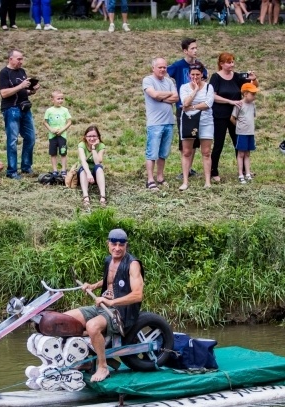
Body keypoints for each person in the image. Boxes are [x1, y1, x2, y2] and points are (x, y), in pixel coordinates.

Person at [64, 228, 143, 383]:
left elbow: (138, 294)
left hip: (121, 311)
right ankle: (86, 360)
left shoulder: (133, 264)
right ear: (108, 244)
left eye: (121, 244)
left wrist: (111, 302)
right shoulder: (109, 260)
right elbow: (110, 281)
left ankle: (103, 366)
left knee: (92, 326)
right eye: (114, 244)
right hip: (103, 306)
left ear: (126, 245)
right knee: (66, 319)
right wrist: (93, 286)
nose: (117, 248)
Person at [209, 52, 257, 182]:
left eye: (233, 62)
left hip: (237, 115)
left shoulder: (236, 76)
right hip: (220, 114)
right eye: (229, 62)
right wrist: (230, 101)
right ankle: (213, 171)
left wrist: (254, 78)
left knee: (239, 143)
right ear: (221, 64)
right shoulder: (216, 77)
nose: (232, 64)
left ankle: (242, 171)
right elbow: (212, 96)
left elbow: (252, 88)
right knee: (219, 143)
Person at [167, 38, 207, 180]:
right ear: (185, 51)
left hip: (198, 107)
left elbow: (205, 80)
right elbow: (167, 75)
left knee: (195, 138)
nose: (195, 51)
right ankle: (184, 168)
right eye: (192, 48)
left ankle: (189, 169)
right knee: (185, 138)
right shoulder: (178, 65)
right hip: (183, 107)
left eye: (196, 48)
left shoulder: (199, 66)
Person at [0, 49, 38, 180]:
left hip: (25, 108)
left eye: (22, 59)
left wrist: (31, 90)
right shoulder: (4, 73)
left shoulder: (22, 72)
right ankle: (12, 170)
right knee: (13, 141)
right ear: (11, 59)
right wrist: (21, 86)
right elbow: (3, 93)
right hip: (11, 109)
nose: (21, 61)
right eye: (19, 59)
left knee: (30, 137)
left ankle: (26, 166)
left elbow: (23, 91)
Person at [142, 57, 178, 191]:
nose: (163, 69)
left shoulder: (169, 81)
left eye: (165, 67)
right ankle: (150, 179)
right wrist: (167, 95)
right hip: (155, 123)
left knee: (163, 153)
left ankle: (160, 177)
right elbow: (154, 94)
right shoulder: (148, 80)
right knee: (152, 152)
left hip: (169, 122)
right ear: (153, 68)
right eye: (160, 67)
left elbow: (176, 97)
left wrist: (161, 97)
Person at [178, 63, 215, 190]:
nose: (195, 77)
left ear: (202, 74)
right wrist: (194, 91)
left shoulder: (209, 87)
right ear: (189, 75)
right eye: (192, 74)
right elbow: (184, 102)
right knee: (187, 152)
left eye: (197, 75)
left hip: (205, 121)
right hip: (189, 120)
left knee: (206, 152)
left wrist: (192, 107)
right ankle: (185, 181)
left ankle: (207, 181)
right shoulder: (184, 87)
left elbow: (207, 104)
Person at [230, 82, 258, 183]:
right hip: (242, 133)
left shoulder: (253, 105)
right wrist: (239, 126)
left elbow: (252, 116)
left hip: (250, 132)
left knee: (247, 153)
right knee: (241, 153)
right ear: (245, 94)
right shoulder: (239, 104)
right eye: (252, 94)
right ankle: (241, 174)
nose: (254, 96)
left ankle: (247, 173)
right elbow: (232, 118)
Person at [77, 125, 107, 208]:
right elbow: (83, 161)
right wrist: (88, 174)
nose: (92, 138)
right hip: (84, 172)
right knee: (83, 169)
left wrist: (93, 148)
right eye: (89, 136)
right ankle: (86, 197)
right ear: (85, 137)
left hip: (95, 172)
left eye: (94, 136)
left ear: (98, 137)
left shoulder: (101, 146)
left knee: (99, 168)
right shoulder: (81, 145)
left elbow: (97, 162)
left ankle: (103, 197)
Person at [43, 90, 72, 177]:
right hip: (52, 136)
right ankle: (55, 170)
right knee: (53, 153)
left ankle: (63, 170)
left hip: (62, 136)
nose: (60, 100)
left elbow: (69, 122)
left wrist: (62, 130)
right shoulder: (49, 110)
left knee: (63, 152)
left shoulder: (65, 110)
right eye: (58, 99)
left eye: (62, 99)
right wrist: (51, 129)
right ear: (52, 100)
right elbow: (44, 122)